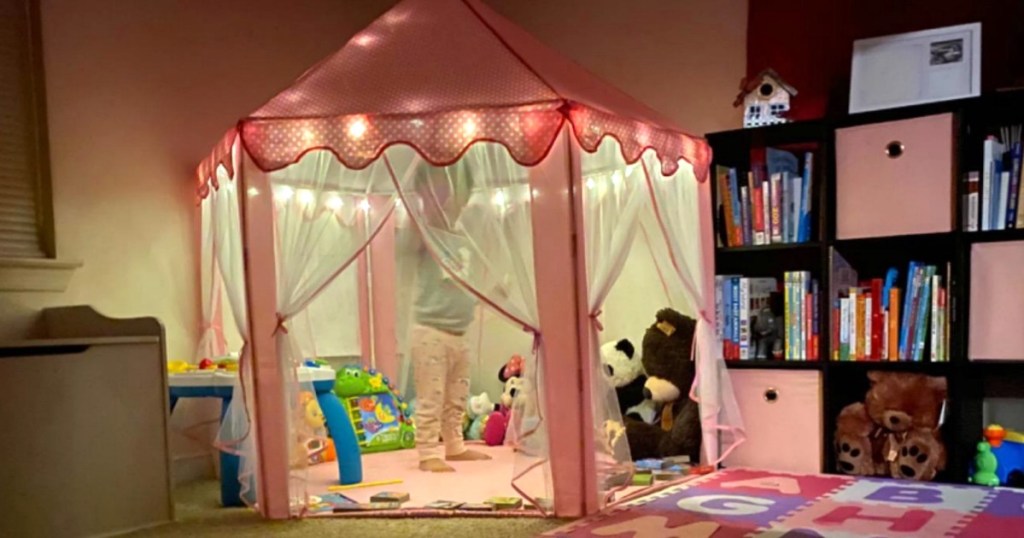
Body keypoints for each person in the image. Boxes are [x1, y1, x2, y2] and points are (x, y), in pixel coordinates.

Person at [407, 162, 492, 473]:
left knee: (457, 395)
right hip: (430, 332)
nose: (448, 203)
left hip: (459, 333)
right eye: (439, 194)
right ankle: (428, 451)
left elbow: (463, 285)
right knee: (431, 397)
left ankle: (454, 445)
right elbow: (409, 240)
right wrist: (424, 203)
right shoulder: (424, 234)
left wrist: (491, 292)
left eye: (455, 194)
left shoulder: (461, 239)